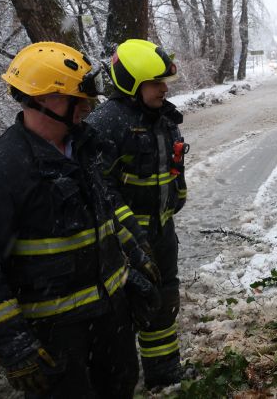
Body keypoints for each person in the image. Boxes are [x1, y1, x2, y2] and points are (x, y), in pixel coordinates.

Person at [0, 42, 157, 397]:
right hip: (56, 338)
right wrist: (15, 346)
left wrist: (135, 259)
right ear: (46, 99)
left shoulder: (83, 148)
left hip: (111, 324)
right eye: (79, 98)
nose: (87, 106)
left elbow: (105, 217)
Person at [87, 38, 187, 389]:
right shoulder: (106, 124)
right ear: (131, 84)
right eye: (156, 83)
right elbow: (100, 189)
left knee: (164, 300)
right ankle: (119, 385)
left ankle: (164, 373)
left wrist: (177, 196)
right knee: (125, 310)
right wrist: (131, 235)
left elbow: (172, 167)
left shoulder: (163, 118)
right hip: (122, 243)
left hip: (161, 231)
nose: (164, 89)